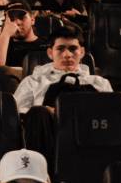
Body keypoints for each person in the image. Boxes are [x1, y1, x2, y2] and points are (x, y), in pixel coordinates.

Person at [15, 24, 112, 160]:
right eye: (60, 49)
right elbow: (19, 116)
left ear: (82, 52)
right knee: (38, 112)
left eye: (73, 49)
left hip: (90, 135)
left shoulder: (99, 83)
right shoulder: (32, 82)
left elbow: (110, 117)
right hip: (49, 135)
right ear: (50, 53)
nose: (67, 55)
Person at [0, 0, 48, 92]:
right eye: (11, 19)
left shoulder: (45, 45)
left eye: (22, 17)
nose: (17, 22)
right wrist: (6, 32)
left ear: (32, 20)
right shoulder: (2, 43)